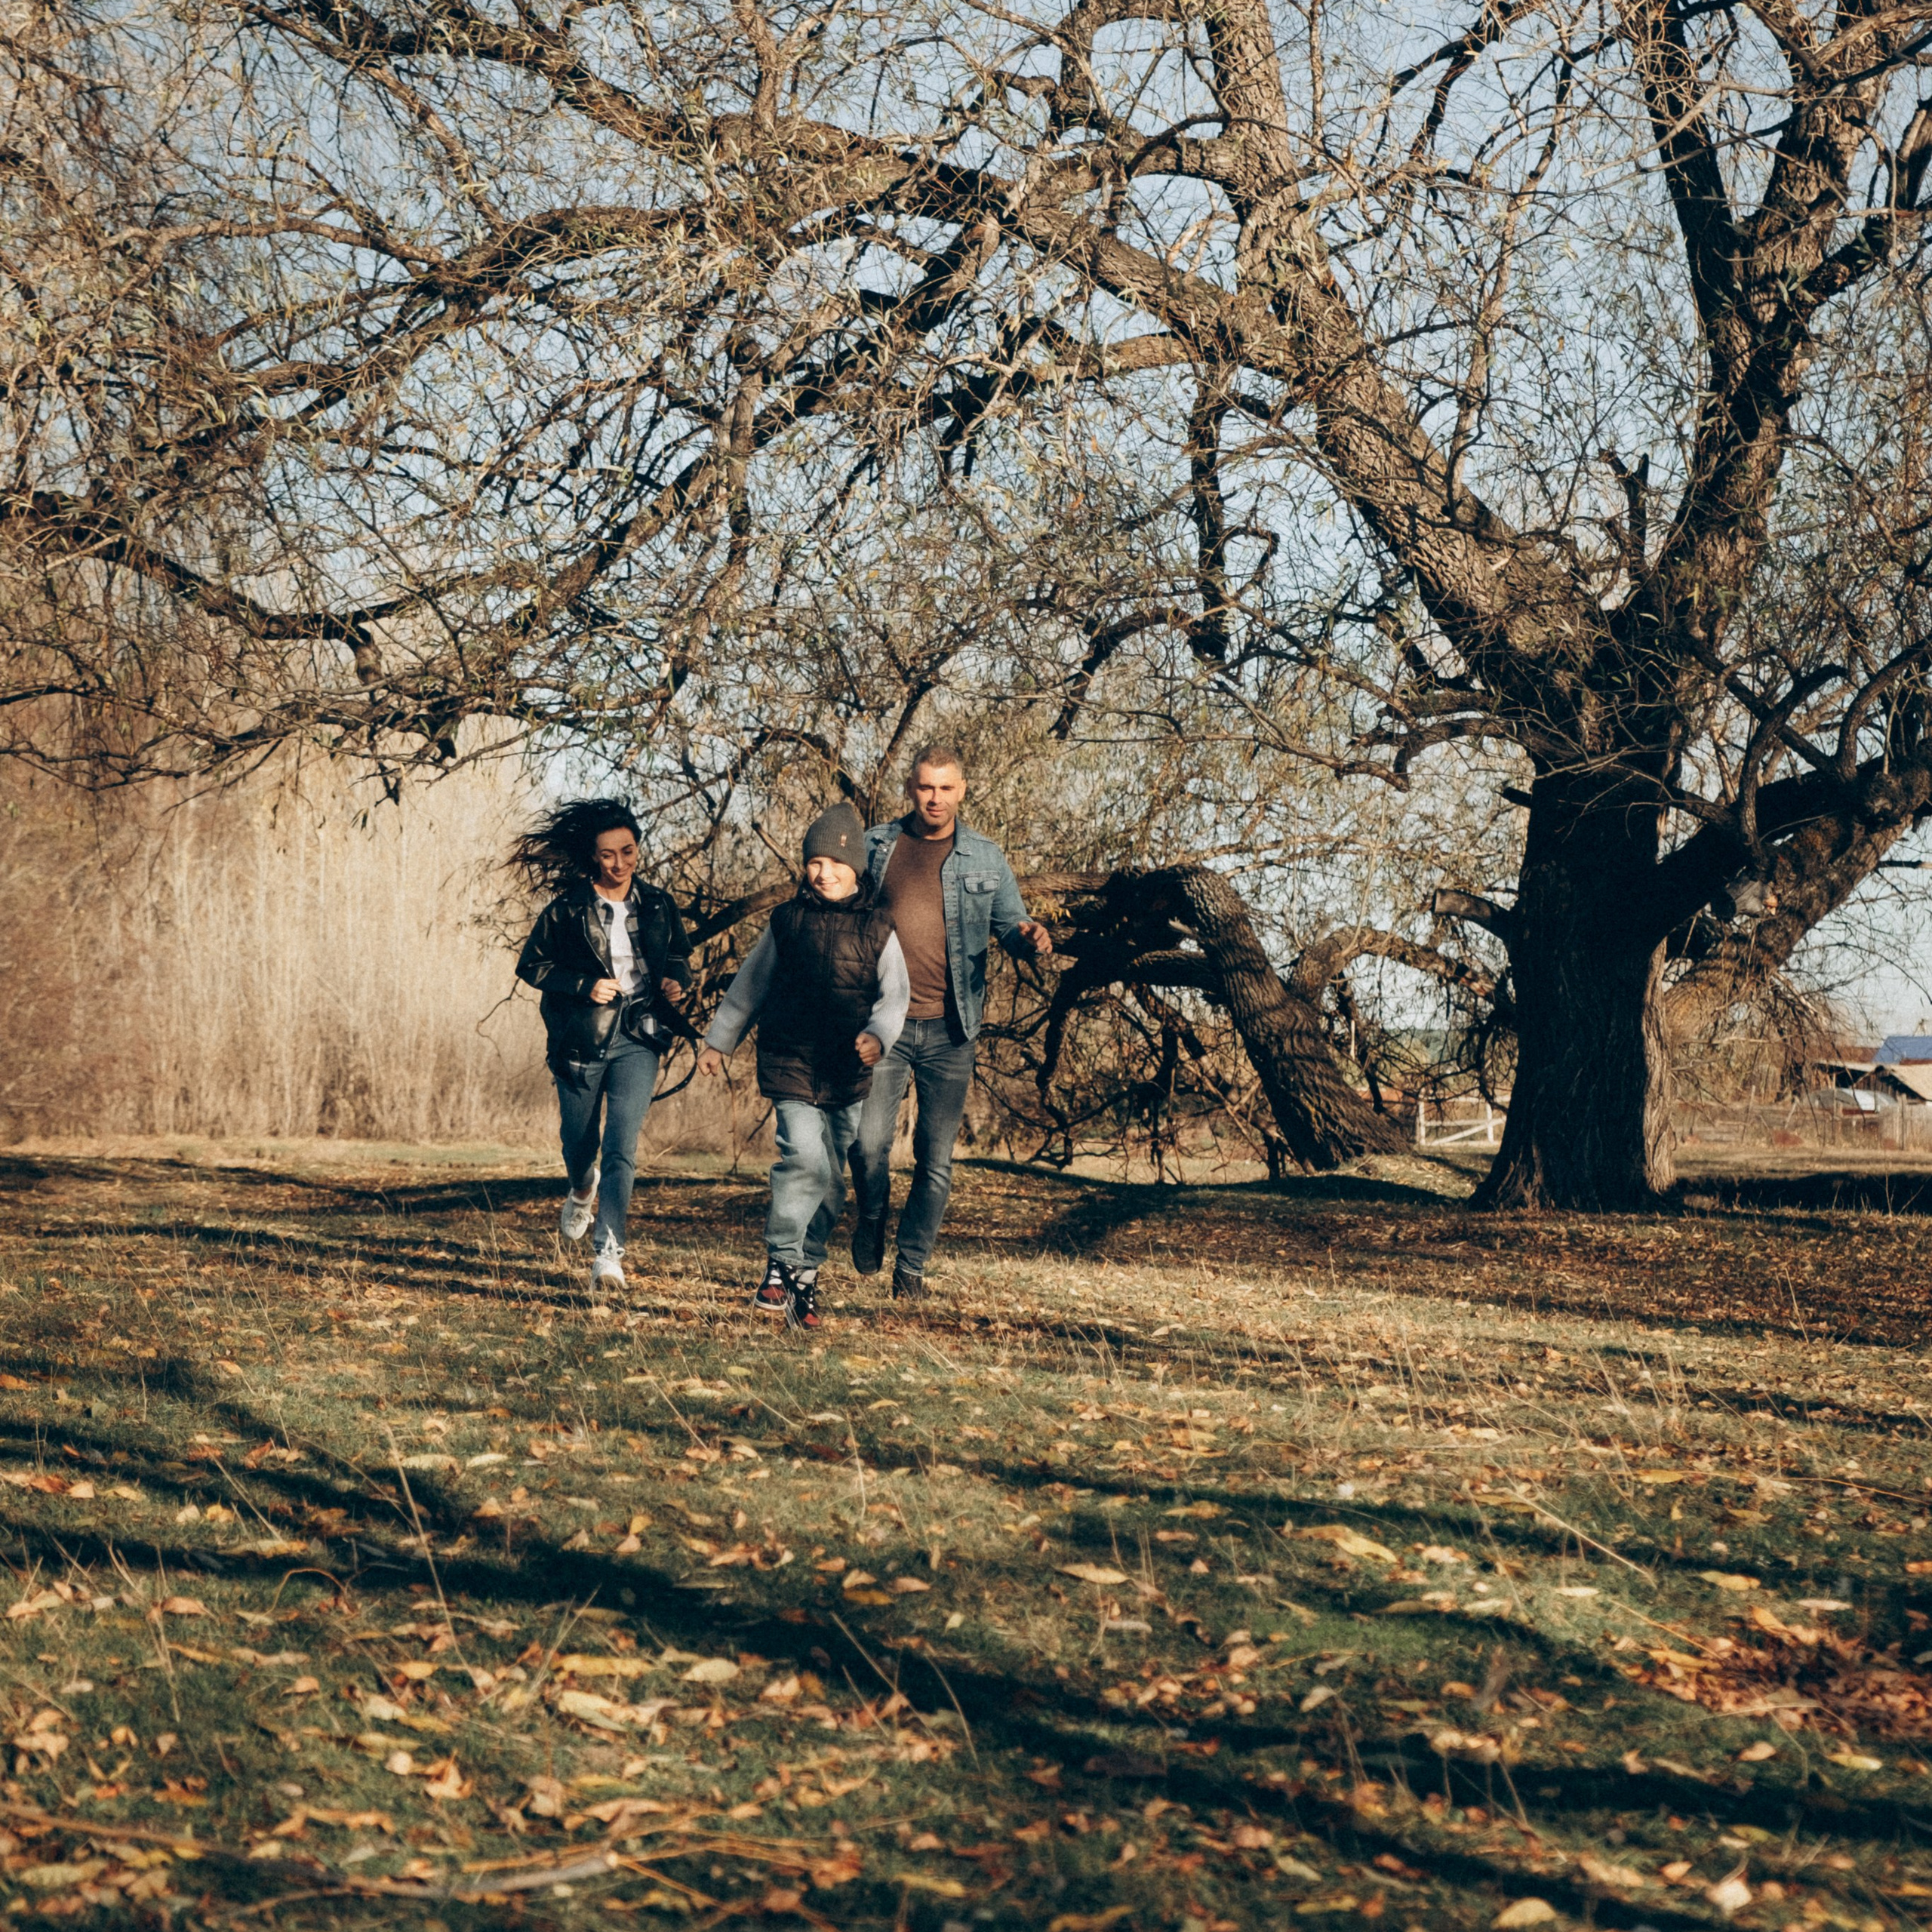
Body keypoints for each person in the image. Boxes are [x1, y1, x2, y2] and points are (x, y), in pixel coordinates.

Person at [848, 746, 1051, 1299]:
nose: (935, 798)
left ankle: (911, 1269)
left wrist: (1030, 938)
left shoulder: (985, 857)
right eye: (925, 787)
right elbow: (841, 917)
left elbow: (1011, 925)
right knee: (867, 1146)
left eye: (945, 788)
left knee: (934, 1160)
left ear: (962, 790)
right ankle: (872, 1216)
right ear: (911, 789)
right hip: (884, 1025)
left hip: (952, 1029)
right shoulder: (875, 847)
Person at [697, 801, 909, 1331]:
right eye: (815, 862)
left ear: (857, 869)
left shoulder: (880, 928)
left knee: (831, 1183)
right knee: (804, 1160)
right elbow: (749, 986)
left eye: (836, 863)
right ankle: (781, 1260)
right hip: (790, 1062)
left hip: (846, 1072)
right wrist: (719, 1041)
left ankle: (803, 1282)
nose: (824, 872)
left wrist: (878, 1037)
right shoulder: (788, 922)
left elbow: (895, 999)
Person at [513, 799, 693, 1297]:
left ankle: (608, 1254)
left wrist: (676, 981)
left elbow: (678, 955)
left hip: (640, 1035)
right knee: (579, 1142)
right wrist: (584, 985)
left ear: (638, 849)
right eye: (608, 854)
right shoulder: (567, 908)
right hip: (581, 1038)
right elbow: (532, 965)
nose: (619, 863)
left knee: (621, 1145)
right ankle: (580, 1186)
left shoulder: (657, 904)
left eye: (627, 851)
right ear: (593, 856)